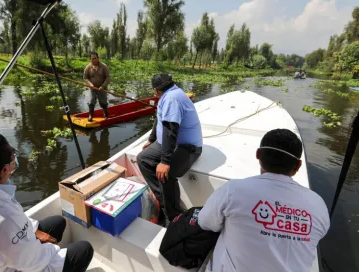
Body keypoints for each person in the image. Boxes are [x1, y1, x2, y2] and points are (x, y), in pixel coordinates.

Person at [0, 134, 94, 272]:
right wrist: (53, 248)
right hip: (11, 261)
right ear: (4, 170)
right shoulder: (0, 221)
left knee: (57, 223)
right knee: (83, 250)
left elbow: (15, 223)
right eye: (13, 156)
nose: (15, 159)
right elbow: (35, 262)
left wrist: (34, 232)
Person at [198, 129, 330, 272]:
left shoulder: (233, 190)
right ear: (297, 166)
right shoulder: (318, 204)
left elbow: (205, 223)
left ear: (258, 155)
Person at [137, 73, 203, 225]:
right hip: (167, 143)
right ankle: (165, 202)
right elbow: (159, 120)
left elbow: (170, 130)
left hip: (188, 147)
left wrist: (165, 161)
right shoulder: (167, 95)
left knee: (166, 174)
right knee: (143, 159)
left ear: (155, 90)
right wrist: (151, 140)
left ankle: (173, 215)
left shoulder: (172, 98)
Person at [83, 52, 111, 122]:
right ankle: (91, 115)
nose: (94, 60)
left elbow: (108, 78)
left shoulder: (104, 66)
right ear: (90, 59)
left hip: (102, 88)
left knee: (103, 102)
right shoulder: (88, 67)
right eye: (92, 59)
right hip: (93, 88)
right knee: (92, 101)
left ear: (98, 58)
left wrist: (103, 86)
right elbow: (85, 77)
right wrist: (90, 84)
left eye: (95, 58)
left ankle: (106, 114)